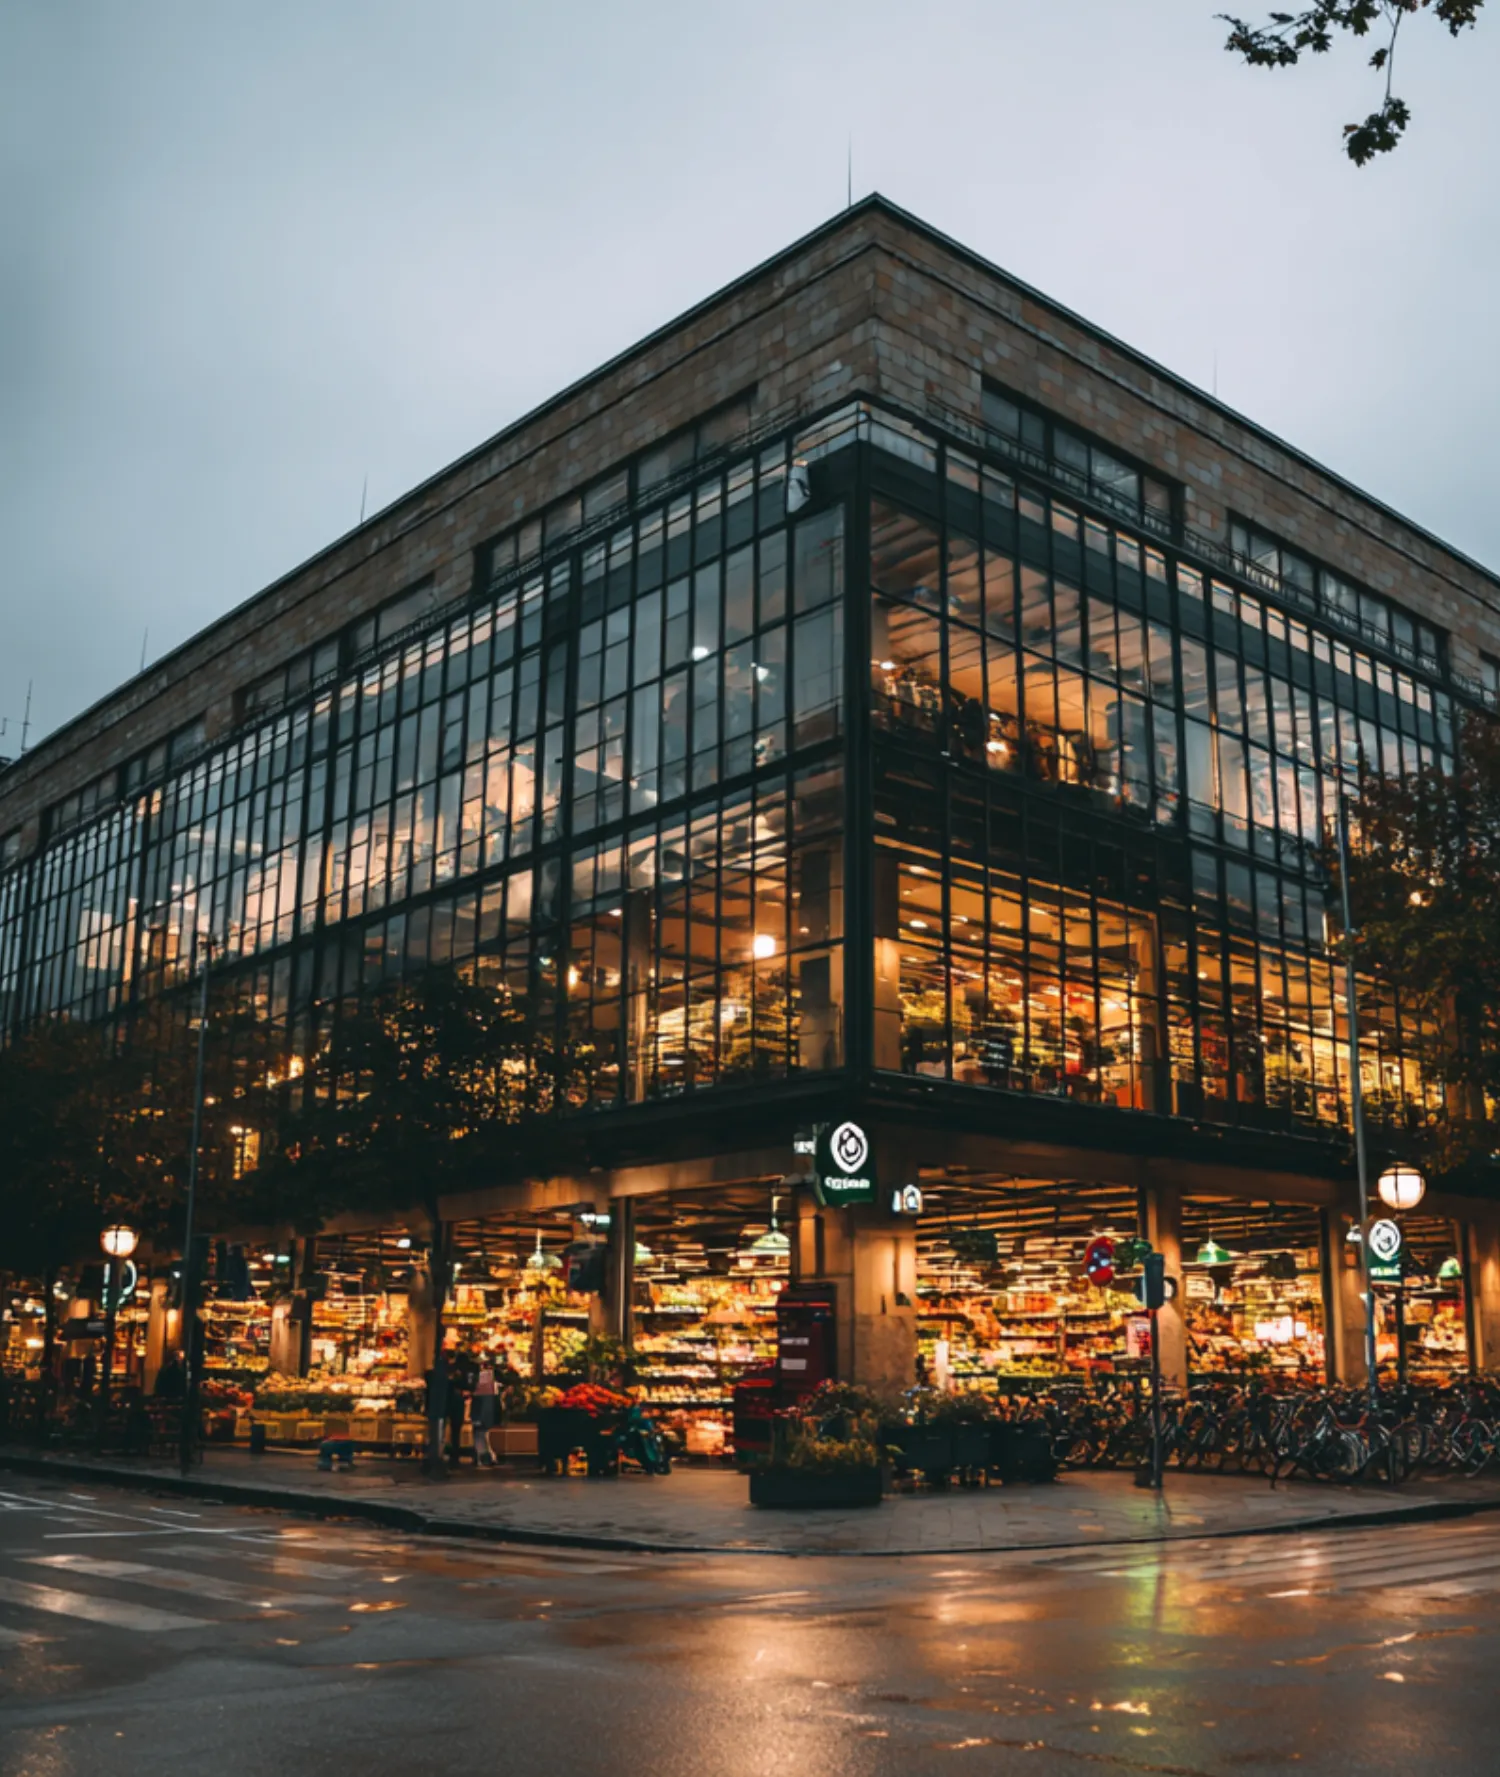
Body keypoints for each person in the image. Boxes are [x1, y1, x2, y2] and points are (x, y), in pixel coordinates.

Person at [470, 1349, 498, 1468]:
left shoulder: (479, 1379)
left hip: (480, 1409)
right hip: (486, 1410)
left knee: (479, 1434)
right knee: (483, 1434)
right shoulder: (490, 1378)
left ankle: (483, 1456)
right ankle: (486, 1456)